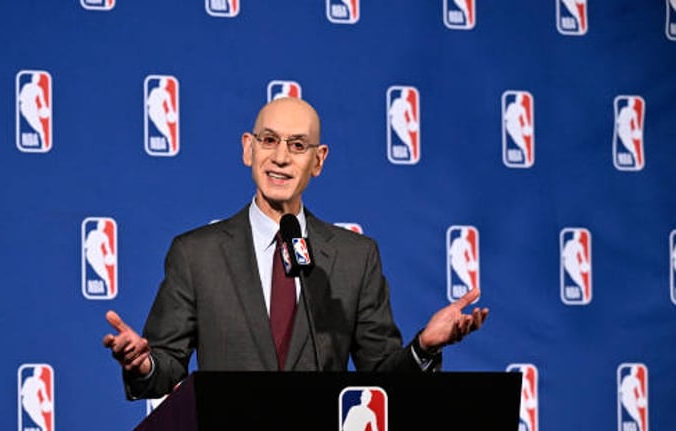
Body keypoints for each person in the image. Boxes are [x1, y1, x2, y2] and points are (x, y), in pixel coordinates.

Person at [103, 97, 487, 399]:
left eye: (298, 145)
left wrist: (423, 346)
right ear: (248, 149)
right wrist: (144, 365)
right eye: (269, 140)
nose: (281, 157)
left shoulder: (356, 258)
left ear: (318, 161)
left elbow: (381, 379)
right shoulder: (196, 254)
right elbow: (165, 369)